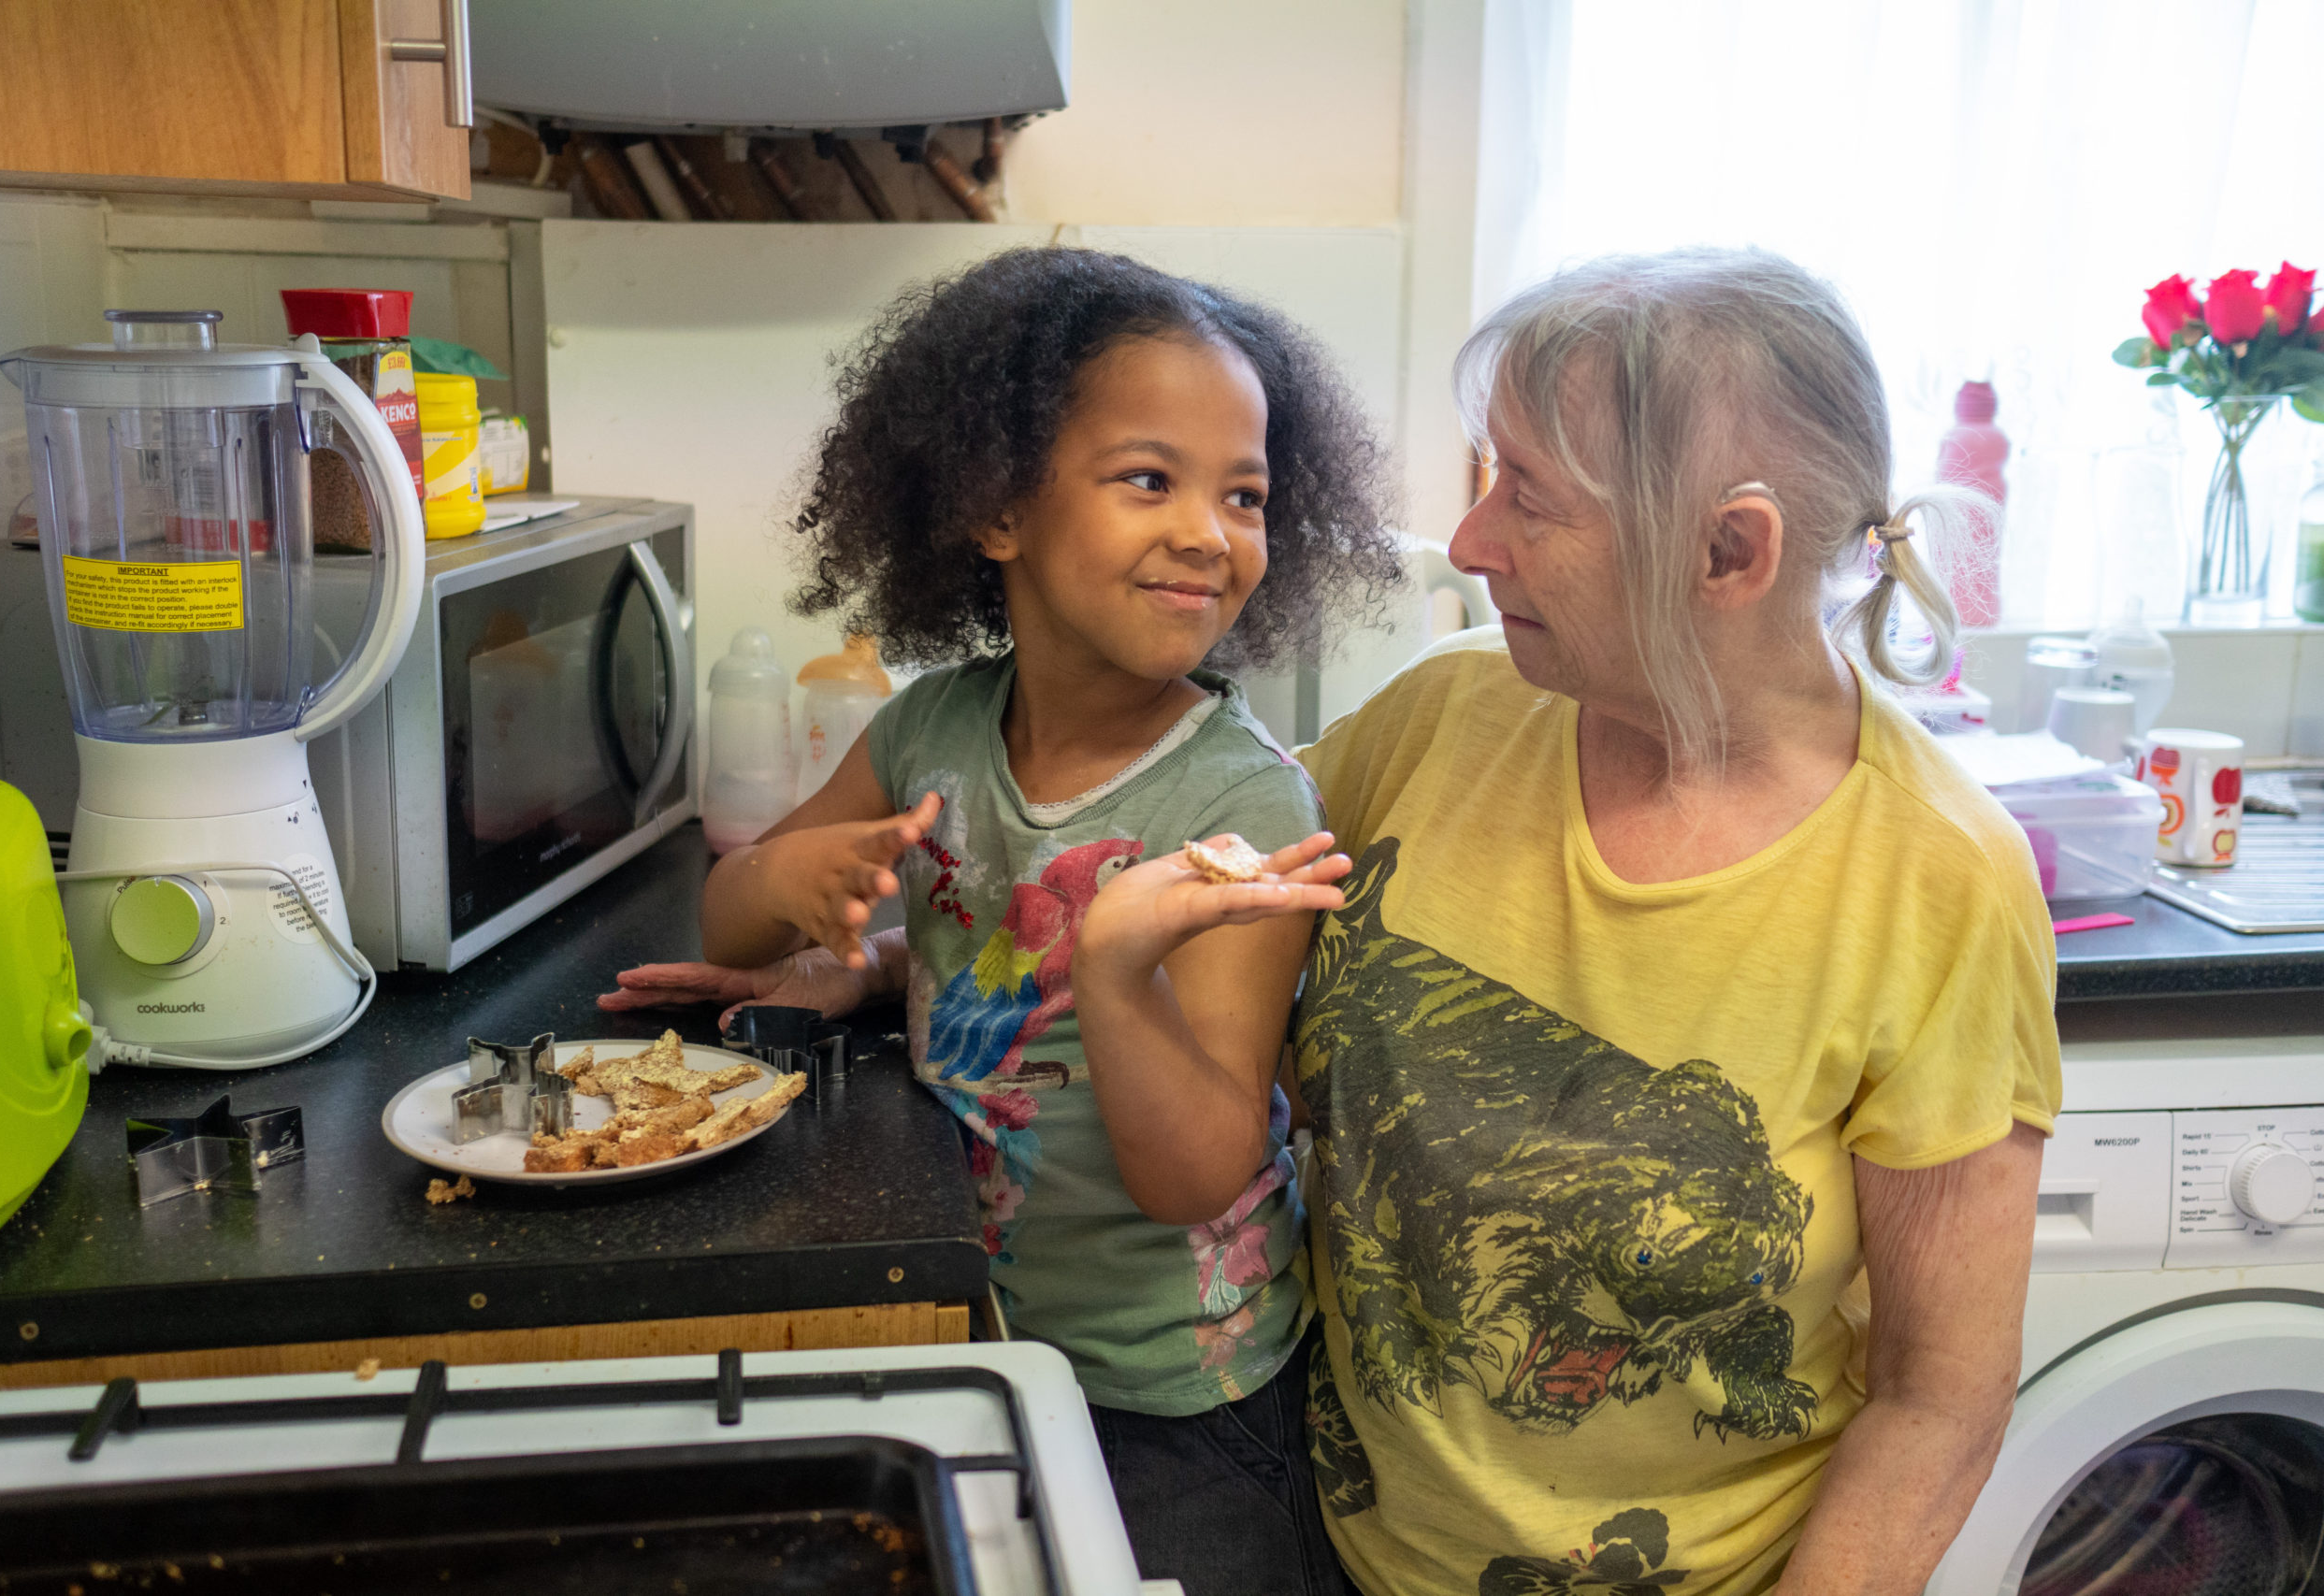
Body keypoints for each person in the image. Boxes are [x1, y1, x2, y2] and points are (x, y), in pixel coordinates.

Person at [1075, 248, 2060, 1596]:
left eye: (1527, 499)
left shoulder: (1940, 881)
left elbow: (1939, 1401)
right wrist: (898, 950)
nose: (1473, 544)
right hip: (1324, 1538)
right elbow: (1191, 910)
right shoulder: (1441, 719)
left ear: (1730, 550)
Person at [602, 247, 1403, 1595]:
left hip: (1175, 1399)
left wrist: (1115, 964)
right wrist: (825, 927)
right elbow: (735, 909)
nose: (1212, 530)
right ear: (994, 510)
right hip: (973, 1339)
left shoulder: (1244, 804)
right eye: (1149, 479)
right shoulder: (934, 727)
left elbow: (1199, 1172)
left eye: (1247, 494)